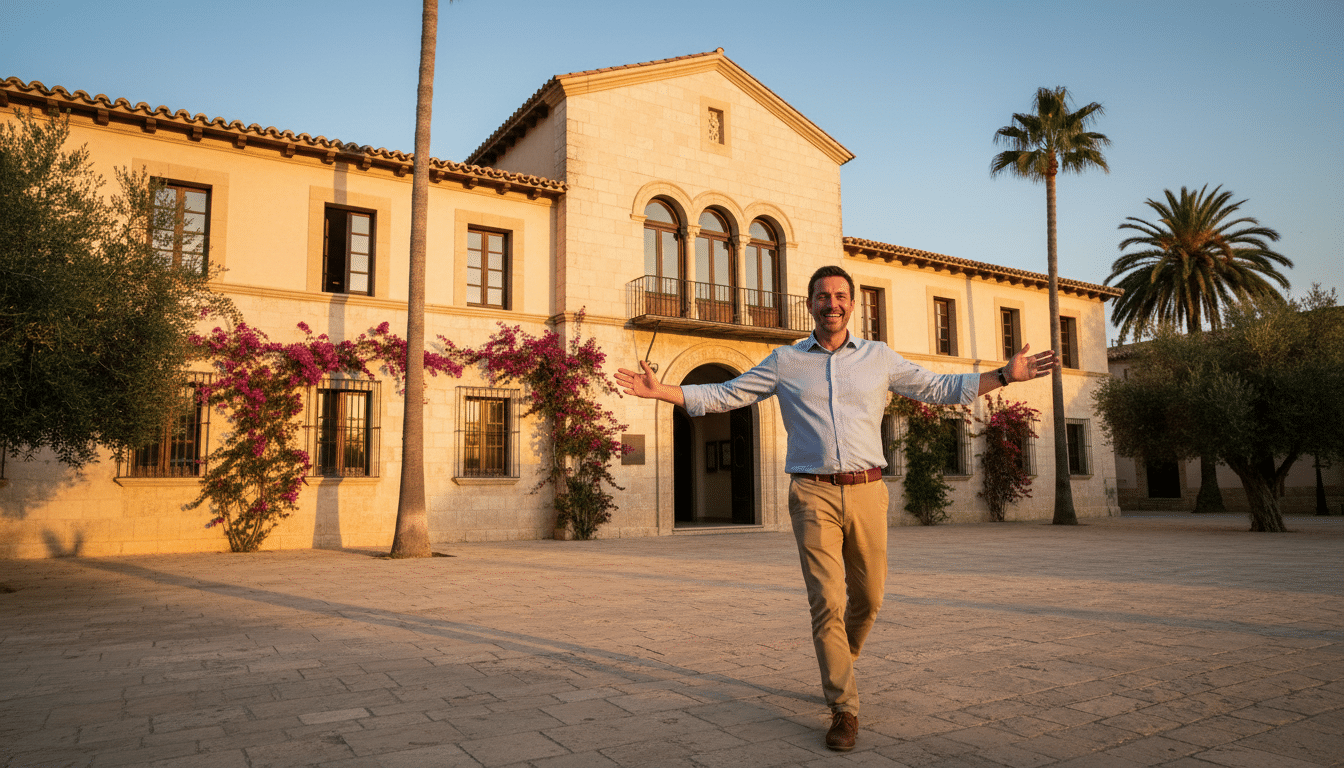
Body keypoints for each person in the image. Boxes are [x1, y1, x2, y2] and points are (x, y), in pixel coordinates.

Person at [615, 265, 1056, 751]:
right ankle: (844, 707)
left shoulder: (879, 357)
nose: (833, 303)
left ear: (853, 304)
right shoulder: (785, 362)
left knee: (870, 598)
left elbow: (937, 389)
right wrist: (661, 391)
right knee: (828, 601)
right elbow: (725, 394)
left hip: (868, 490)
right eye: (823, 296)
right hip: (812, 494)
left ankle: (840, 658)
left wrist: (1003, 376)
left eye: (841, 296)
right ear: (810, 305)